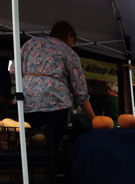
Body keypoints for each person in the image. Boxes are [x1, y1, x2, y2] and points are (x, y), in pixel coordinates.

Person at [17, 20, 95, 151]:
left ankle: (28, 170)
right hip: (55, 102)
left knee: (26, 142)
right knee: (49, 146)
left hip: (26, 100)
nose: (72, 45)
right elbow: (80, 91)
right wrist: (93, 119)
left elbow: (14, 70)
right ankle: (47, 169)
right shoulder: (69, 53)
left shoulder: (30, 43)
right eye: (73, 41)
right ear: (69, 36)